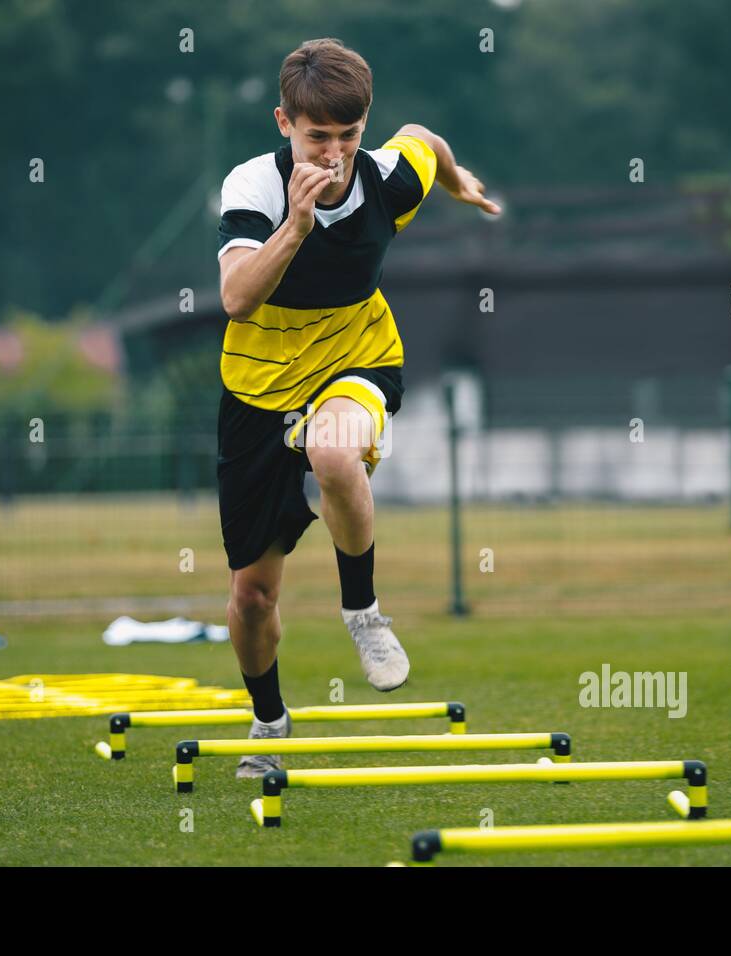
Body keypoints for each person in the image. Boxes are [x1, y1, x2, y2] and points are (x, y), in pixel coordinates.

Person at [215, 38, 500, 775]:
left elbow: (425, 141)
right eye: (318, 137)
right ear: (284, 123)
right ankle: (270, 723)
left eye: (349, 134)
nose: (335, 153)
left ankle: (364, 614)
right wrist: (297, 226)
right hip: (257, 387)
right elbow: (238, 299)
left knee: (333, 450)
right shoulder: (252, 187)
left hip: (358, 358)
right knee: (251, 598)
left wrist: (457, 179)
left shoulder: (388, 179)